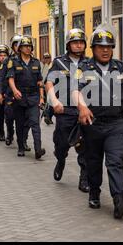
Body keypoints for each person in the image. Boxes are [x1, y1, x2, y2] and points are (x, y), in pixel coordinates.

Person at [73, 27, 123, 219]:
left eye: (109, 46)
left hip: (116, 123)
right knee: (93, 162)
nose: (105, 50)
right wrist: (82, 107)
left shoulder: (121, 67)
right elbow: (76, 90)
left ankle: (119, 200)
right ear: (93, 48)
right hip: (92, 123)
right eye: (101, 46)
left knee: (115, 161)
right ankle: (94, 192)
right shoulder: (82, 68)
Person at [45, 28, 89, 193]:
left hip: (84, 111)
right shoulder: (59, 62)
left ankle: (84, 178)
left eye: (81, 43)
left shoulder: (90, 63)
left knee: (86, 146)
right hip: (65, 110)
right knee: (62, 144)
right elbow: (49, 82)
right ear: (69, 45)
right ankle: (60, 160)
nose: (78, 46)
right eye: (75, 43)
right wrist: (54, 100)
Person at [6, 36, 46, 158]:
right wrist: (14, 90)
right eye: (25, 46)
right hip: (20, 97)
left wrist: (41, 97)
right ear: (20, 48)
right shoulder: (14, 62)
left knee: (35, 123)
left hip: (33, 97)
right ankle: (21, 147)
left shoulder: (36, 62)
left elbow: (40, 82)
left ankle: (38, 149)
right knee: (20, 123)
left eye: (29, 46)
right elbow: (11, 79)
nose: (28, 49)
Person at [0, 35, 31, 151]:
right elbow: (0, 78)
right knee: (10, 118)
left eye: (19, 44)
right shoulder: (8, 61)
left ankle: (23, 141)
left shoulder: (30, 60)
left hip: (25, 96)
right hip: (10, 95)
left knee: (26, 120)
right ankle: (10, 134)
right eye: (15, 45)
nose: (17, 47)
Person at [41, 52, 54, 125]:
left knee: (50, 102)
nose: (47, 59)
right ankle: (47, 116)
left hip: (51, 86)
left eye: (48, 58)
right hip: (42, 87)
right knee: (47, 102)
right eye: (45, 58)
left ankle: (48, 116)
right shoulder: (42, 66)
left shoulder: (53, 65)